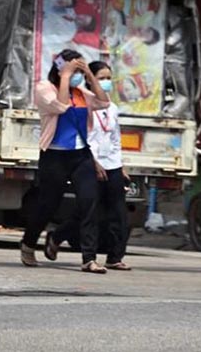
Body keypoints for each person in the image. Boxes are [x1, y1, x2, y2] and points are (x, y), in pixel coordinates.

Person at [20, 49, 109, 273]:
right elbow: (60, 107)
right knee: (47, 204)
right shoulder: (44, 89)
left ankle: (89, 258)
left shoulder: (80, 93)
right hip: (55, 155)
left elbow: (103, 102)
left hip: (80, 155)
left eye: (78, 70)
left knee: (90, 202)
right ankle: (29, 243)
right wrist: (66, 77)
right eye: (72, 69)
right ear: (60, 69)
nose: (75, 74)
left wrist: (89, 75)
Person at [45, 61, 131, 271]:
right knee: (88, 211)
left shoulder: (112, 108)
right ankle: (75, 248)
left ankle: (114, 256)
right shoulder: (85, 104)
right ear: (90, 79)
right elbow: (84, 137)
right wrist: (93, 162)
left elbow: (115, 137)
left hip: (112, 164)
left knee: (119, 213)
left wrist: (120, 165)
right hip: (90, 162)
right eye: (101, 77)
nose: (106, 82)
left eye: (109, 78)